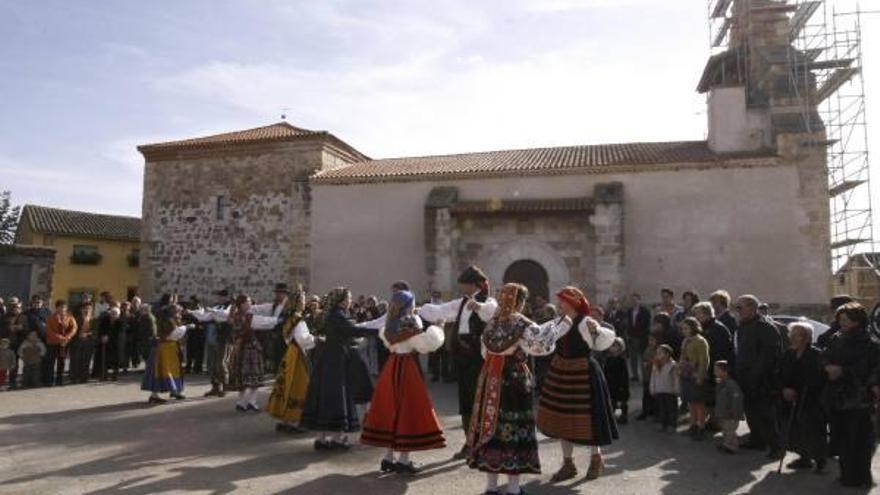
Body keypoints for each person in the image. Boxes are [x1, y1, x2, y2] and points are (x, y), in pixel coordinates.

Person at [467, 283, 559, 495]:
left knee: (492, 428)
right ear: (520, 301)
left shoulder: (492, 323)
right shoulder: (523, 324)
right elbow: (539, 347)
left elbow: (485, 352)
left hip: (490, 379)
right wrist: (557, 328)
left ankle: (491, 487)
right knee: (514, 430)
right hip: (513, 381)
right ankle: (514, 489)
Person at [360, 286, 446, 474]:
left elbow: (386, 339)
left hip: (391, 368)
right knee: (408, 410)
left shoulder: (390, 324)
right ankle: (404, 460)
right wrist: (439, 329)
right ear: (408, 305)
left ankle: (388, 457)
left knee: (391, 410)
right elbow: (425, 345)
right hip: (406, 368)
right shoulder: (410, 323)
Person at [537, 287, 618, 482]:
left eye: (562, 301)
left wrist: (596, 329)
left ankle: (596, 458)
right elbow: (541, 338)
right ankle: (568, 463)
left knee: (589, 417)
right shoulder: (557, 322)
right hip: (561, 372)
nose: (559, 304)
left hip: (583, 372)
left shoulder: (585, 322)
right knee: (562, 418)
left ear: (572, 303)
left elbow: (602, 341)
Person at [418, 265, 498, 460]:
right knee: (465, 401)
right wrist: (418, 309)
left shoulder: (488, 301)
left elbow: (492, 312)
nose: (462, 288)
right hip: (463, 358)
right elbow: (441, 310)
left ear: (474, 285)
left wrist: (478, 307)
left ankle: (482, 443)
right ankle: (469, 442)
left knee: (480, 400)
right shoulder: (461, 303)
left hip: (479, 358)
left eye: (465, 285)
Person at [302, 287, 379, 450]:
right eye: (349, 298)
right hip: (336, 359)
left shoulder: (332, 314)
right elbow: (353, 330)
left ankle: (322, 439)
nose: (350, 301)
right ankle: (336, 439)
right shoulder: (337, 315)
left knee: (325, 396)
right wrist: (377, 331)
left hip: (329, 357)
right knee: (337, 397)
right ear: (342, 300)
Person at [822, 302, 879, 488]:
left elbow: (869, 368)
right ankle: (846, 474)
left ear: (857, 321)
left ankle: (860, 477)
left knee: (860, 440)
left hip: (858, 398)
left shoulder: (868, 342)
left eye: (846, 320)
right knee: (842, 438)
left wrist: (844, 371)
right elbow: (825, 355)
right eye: (841, 319)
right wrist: (827, 367)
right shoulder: (837, 337)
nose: (842, 323)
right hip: (837, 396)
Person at [734, 295, 783, 458]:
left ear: (752, 307)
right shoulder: (743, 326)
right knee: (751, 411)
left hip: (762, 379)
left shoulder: (765, 327)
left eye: (740, 308)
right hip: (745, 376)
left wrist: (756, 375)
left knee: (766, 414)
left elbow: (769, 355)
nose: (738, 311)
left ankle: (776, 447)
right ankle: (757, 440)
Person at [267, 286, 315, 433]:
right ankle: (294, 421)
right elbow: (303, 339)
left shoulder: (289, 317)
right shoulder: (298, 319)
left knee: (287, 384)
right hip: (298, 355)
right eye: (303, 299)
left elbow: (288, 338)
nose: (305, 301)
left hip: (290, 353)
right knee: (298, 386)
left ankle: (285, 419)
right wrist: (316, 339)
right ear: (298, 301)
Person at [779, 322, 827, 472]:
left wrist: (803, 388)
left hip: (810, 397)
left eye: (797, 335)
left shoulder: (816, 354)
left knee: (813, 430)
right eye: (791, 335)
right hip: (791, 397)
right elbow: (781, 374)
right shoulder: (788, 354)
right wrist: (785, 388)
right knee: (795, 430)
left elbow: (818, 377)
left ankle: (820, 461)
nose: (792, 338)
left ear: (806, 338)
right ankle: (804, 457)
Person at [229, 295, 278, 412]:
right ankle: (251, 401)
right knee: (254, 375)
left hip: (240, 349)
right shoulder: (249, 317)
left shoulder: (235, 316)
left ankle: (241, 402)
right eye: (248, 302)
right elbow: (267, 323)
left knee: (243, 377)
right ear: (241, 304)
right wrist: (279, 319)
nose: (250, 304)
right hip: (250, 348)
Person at [692, 302, 733, 430]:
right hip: (704, 369)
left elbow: (720, 352)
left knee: (716, 398)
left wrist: (715, 370)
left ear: (706, 314)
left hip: (715, 369)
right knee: (708, 398)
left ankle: (717, 423)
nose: (696, 316)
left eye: (698, 313)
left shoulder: (718, 329)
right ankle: (711, 420)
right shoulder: (701, 328)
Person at [141, 305, 190, 404]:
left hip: (170, 349)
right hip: (165, 349)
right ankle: (154, 395)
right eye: (177, 311)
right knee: (161, 371)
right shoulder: (168, 321)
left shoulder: (170, 319)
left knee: (173, 370)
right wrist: (186, 327)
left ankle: (174, 391)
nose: (179, 313)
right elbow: (171, 335)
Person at [678, 317, 710, 440]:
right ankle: (693, 424)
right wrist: (680, 368)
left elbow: (704, 360)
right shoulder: (686, 340)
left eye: (686, 328)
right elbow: (682, 355)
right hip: (687, 375)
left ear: (693, 327)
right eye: (683, 328)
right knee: (691, 402)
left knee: (699, 403)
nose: (684, 330)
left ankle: (701, 426)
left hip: (697, 375)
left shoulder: (700, 341)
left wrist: (700, 376)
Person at [251, 283, 290, 375]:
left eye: (280, 293)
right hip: (275, 337)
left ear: (285, 294)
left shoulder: (288, 307)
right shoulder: (274, 306)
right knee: (275, 359)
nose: (277, 295)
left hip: (284, 338)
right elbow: (260, 309)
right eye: (277, 293)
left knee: (283, 359)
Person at [713, 360, 744, 454]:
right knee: (725, 430)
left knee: (730, 430)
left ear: (725, 371)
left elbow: (737, 398)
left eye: (717, 370)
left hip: (731, 413)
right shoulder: (722, 383)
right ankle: (726, 444)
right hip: (724, 412)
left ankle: (731, 447)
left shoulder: (731, 384)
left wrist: (734, 411)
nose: (715, 372)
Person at [649, 344, 679, 432]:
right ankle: (664, 424)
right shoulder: (656, 364)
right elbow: (653, 377)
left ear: (667, 354)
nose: (658, 355)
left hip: (670, 391)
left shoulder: (673, 365)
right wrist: (652, 388)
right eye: (657, 353)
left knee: (671, 409)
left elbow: (676, 379)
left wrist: (676, 389)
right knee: (662, 409)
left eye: (660, 353)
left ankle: (672, 425)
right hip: (659, 390)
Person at [625, 293, 652, 382]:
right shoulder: (629, 311)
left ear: (639, 300)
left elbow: (647, 324)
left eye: (636, 299)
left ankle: (644, 376)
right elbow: (628, 324)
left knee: (642, 357)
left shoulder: (645, 311)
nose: (634, 301)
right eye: (632, 300)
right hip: (632, 337)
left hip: (642, 337)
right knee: (633, 358)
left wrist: (643, 334)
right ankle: (635, 375)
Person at [0, 298, 26, 389]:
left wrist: (14, 328)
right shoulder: (5, 316)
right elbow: (2, 328)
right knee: (3, 364)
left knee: (14, 364)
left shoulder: (22, 316)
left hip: (18, 343)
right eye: (12, 305)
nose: (13, 306)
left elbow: (24, 327)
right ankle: (2, 382)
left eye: (15, 305)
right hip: (6, 344)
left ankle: (12, 382)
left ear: (18, 305)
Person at [604, 337, 630, 425]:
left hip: (620, 385)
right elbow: (605, 371)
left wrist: (623, 386)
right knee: (612, 401)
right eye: (611, 346)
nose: (612, 348)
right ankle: (614, 416)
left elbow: (624, 374)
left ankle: (622, 417)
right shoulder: (608, 359)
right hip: (610, 384)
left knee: (620, 402)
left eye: (614, 346)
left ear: (620, 347)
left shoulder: (621, 360)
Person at [68, 301, 95, 384]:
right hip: (76, 342)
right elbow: (70, 330)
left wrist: (87, 334)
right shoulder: (75, 319)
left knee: (86, 361)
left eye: (89, 309)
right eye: (85, 309)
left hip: (88, 343)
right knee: (75, 361)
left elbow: (96, 331)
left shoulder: (94, 319)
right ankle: (74, 378)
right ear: (81, 310)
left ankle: (84, 377)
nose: (87, 310)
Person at [636, 333, 659, 421]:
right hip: (647, 376)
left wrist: (651, 362)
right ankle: (645, 412)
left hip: (655, 377)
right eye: (650, 340)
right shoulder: (647, 350)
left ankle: (655, 413)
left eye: (653, 340)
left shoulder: (658, 350)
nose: (651, 342)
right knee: (646, 395)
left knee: (655, 396)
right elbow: (644, 362)